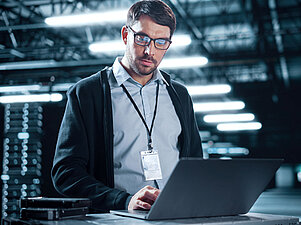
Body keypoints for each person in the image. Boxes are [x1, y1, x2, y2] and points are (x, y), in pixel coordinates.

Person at [51, 0, 202, 212]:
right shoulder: (87, 93)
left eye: (161, 42)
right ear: (125, 35)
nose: (150, 51)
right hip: (117, 217)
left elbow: (195, 164)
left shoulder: (179, 94)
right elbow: (65, 172)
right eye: (142, 38)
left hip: (175, 215)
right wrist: (122, 200)